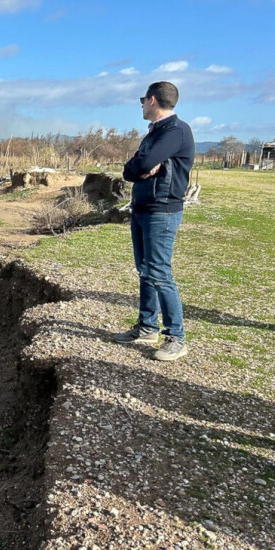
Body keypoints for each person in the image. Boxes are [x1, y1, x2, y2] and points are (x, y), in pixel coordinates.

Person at [115, 81, 195, 361]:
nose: (140, 105)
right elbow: (132, 168)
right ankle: (148, 326)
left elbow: (142, 162)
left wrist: (144, 166)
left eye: (142, 100)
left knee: (159, 272)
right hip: (143, 207)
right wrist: (142, 169)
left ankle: (176, 337)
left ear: (152, 100)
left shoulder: (175, 131)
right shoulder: (154, 133)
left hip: (162, 210)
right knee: (145, 270)